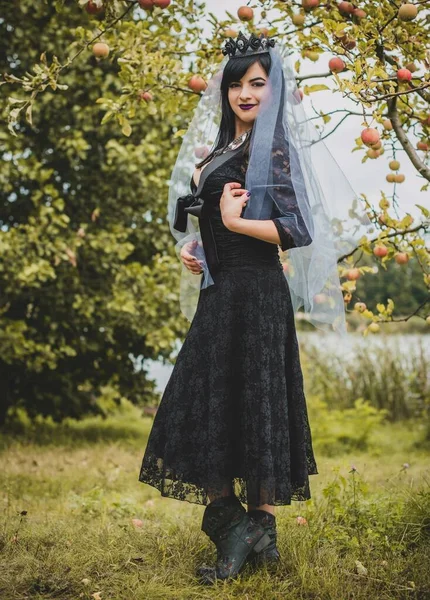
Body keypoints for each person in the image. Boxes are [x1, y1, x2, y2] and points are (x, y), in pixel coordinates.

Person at [138, 31, 369, 585]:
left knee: (251, 404)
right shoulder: (223, 150)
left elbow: (295, 229)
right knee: (216, 404)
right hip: (221, 294)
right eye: (237, 83)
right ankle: (255, 541)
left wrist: (238, 225)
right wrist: (194, 245)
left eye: (258, 83)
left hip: (256, 296)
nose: (245, 92)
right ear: (224, 91)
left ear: (275, 88)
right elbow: (213, 219)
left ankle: (244, 536)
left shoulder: (275, 149)